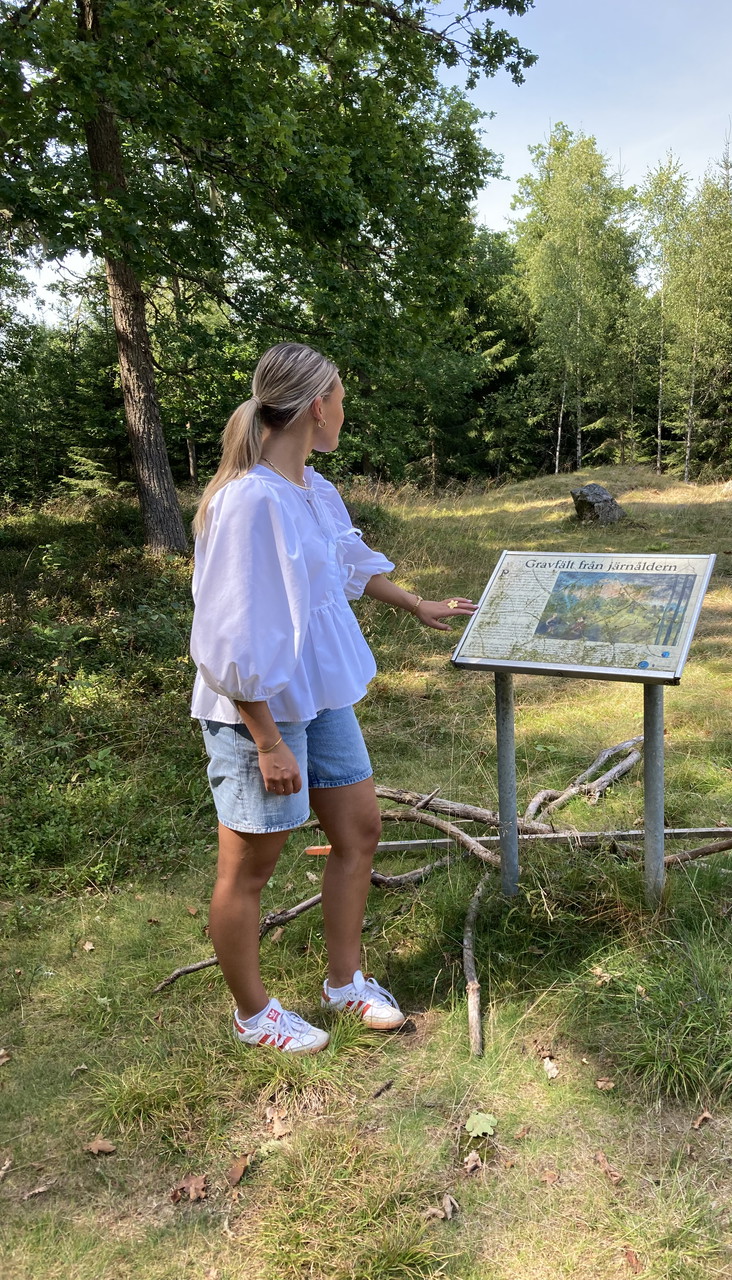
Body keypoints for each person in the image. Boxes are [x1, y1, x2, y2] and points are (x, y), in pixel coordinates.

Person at [189, 342, 475, 1054]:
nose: (345, 412)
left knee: (360, 831)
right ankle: (254, 1015)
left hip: (320, 695)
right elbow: (227, 633)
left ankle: (345, 982)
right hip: (259, 711)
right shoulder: (249, 501)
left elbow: (345, 564)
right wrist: (266, 739)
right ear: (317, 407)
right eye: (342, 399)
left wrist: (415, 603)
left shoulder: (312, 489)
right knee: (249, 868)